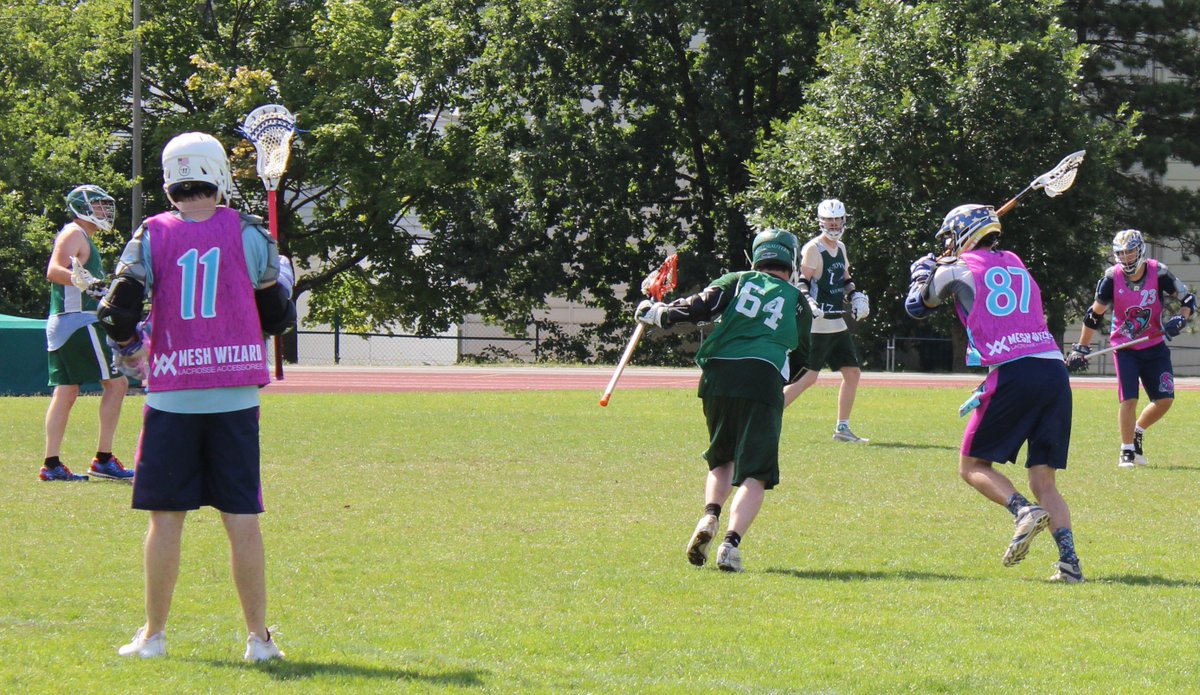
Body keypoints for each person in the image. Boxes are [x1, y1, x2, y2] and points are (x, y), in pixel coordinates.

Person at [97, 132, 296, 660]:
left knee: (166, 519)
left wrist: (133, 352)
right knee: (242, 520)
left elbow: (116, 312)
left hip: (172, 397)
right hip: (234, 397)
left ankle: (153, 636)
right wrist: (282, 284)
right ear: (217, 174)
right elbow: (276, 318)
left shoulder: (149, 233)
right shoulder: (251, 233)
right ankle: (259, 640)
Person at [905, 204, 1083, 583]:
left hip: (1016, 371)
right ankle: (1070, 564)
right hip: (1052, 369)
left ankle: (1022, 511)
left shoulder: (956, 268)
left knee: (972, 466)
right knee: (1044, 479)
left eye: (951, 236)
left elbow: (918, 306)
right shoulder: (1016, 262)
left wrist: (921, 274)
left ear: (965, 233)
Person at [635, 229, 813, 573]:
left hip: (717, 373)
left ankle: (709, 515)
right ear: (790, 261)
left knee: (722, 457)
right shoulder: (798, 301)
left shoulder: (738, 279)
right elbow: (804, 358)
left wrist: (658, 313)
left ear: (756, 257)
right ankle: (730, 546)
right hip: (763, 375)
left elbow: (700, 307)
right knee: (755, 472)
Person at [1066, 229, 1194, 468]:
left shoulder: (1159, 272)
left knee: (1165, 398)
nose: (1126, 258)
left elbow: (1188, 300)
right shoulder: (1111, 278)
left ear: (1140, 250)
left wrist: (1180, 319)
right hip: (1124, 347)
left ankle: (1137, 431)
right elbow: (1094, 315)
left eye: (1130, 251)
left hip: (1154, 345)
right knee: (1129, 398)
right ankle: (1126, 450)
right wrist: (1081, 348)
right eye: (1121, 253)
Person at [41, 185, 132, 482]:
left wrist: (93, 285)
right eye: (98, 205)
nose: (104, 212)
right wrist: (85, 282)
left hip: (66, 322)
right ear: (82, 207)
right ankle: (103, 459)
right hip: (79, 322)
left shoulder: (82, 237)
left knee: (66, 392)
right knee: (117, 384)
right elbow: (54, 271)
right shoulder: (74, 233)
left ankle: (51, 464)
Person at [782, 199, 871, 443]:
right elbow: (802, 281)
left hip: (836, 322)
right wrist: (809, 303)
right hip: (818, 323)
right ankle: (767, 415)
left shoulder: (840, 247)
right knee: (808, 378)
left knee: (852, 373)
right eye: (829, 220)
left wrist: (856, 297)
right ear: (821, 222)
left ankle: (842, 429)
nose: (833, 224)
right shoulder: (814, 248)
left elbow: (845, 278)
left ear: (843, 220)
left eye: (837, 220)